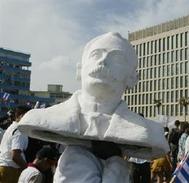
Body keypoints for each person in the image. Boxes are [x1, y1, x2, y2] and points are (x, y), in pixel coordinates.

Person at [18, 32, 169, 183]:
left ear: (132, 78)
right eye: (96, 55)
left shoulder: (149, 132)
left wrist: (115, 161)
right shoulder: (43, 118)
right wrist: (116, 161)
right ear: (80, 69)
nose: (103, 62)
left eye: (117, 58)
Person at [0, 106, 31, 183]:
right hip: (11, 170)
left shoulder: (12, 127)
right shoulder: (20, 130)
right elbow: (15, 156)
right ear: (22, 115)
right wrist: (28, 170)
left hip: (5, 168)